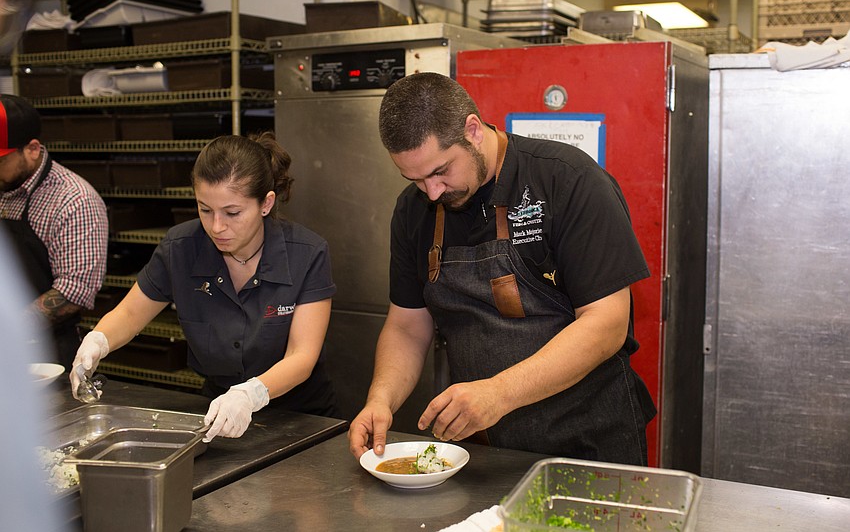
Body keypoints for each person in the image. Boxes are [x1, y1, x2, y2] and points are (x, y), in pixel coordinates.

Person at [349, 72, 657, 465]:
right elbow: (408, 325)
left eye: (441, 171)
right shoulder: (413, 209)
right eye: (416, 179)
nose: (432, 192)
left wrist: (499, 393)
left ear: (473, 130)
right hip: (488, 451)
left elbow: (606, 323)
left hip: (589, 442)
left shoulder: (568, 180)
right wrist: (381, 399)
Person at [70, 132, 339, 442]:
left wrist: (249, 394)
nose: (217, 227)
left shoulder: (307, 253)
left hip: (301, 418)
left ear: (266, 203)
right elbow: (130, 314)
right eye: (205, 209)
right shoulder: (181, 248)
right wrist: (98, 341)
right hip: (217, 413)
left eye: (232, 213)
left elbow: (301, 356)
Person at [0, 94, 108, 370]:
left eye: (0, 162)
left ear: (32, 149)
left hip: (46, 352)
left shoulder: (74, 200)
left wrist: (9, 329)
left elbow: (73, 290)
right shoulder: (4, 185)